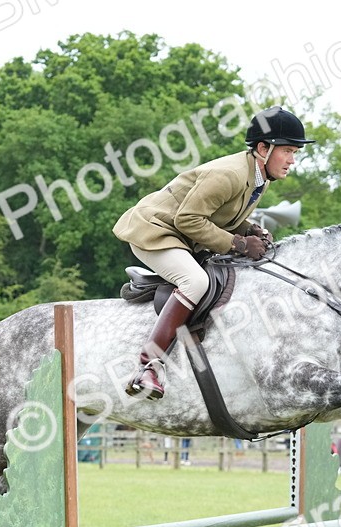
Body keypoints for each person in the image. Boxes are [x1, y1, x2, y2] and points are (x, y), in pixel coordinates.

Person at [112, 106, 314, 399]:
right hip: (154, 230)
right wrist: (240, 245)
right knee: (196, 282)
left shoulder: (258, 176)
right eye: (287, 151)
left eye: (295, 152)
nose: (292, 160)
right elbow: (188, 219)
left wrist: (249, 229)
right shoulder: (229, 174)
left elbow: (221, 214)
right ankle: (149, 366)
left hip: (181, 233)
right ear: (263, 148)